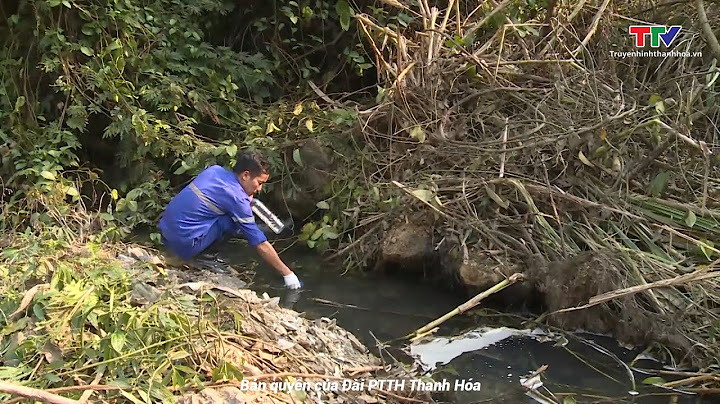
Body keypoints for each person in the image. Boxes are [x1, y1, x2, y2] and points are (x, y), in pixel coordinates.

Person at [158, 150, 302, 289]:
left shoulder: (215, 170)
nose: (259, 189)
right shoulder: (236, 199)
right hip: (183, 245)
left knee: (228, 216)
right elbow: (260, 244)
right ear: (245, 175)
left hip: (166, 232)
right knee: (232, 221)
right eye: (259, 183)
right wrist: (287, 273)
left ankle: (203, 249)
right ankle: (206, 258)